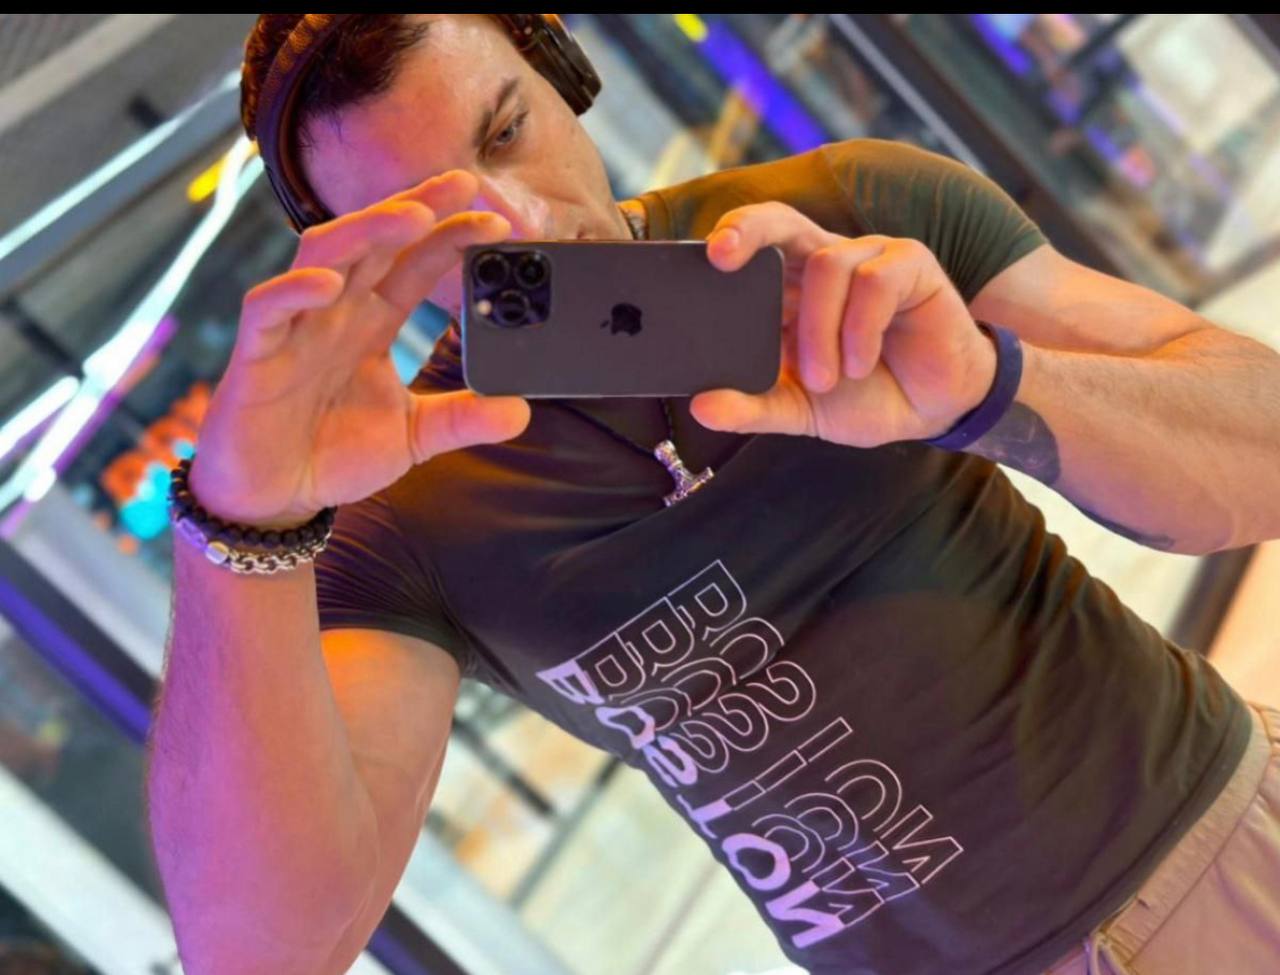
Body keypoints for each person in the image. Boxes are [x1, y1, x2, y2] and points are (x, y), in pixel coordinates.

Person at [143, 14, 1280, 975]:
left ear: (561, 74)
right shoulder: (408, 511)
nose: (520, 225)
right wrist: (241, 526)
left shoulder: (840, 219)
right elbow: (260, 951)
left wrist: (985, 389)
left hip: (1218, 846)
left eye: (506, 132)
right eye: (429, 224)